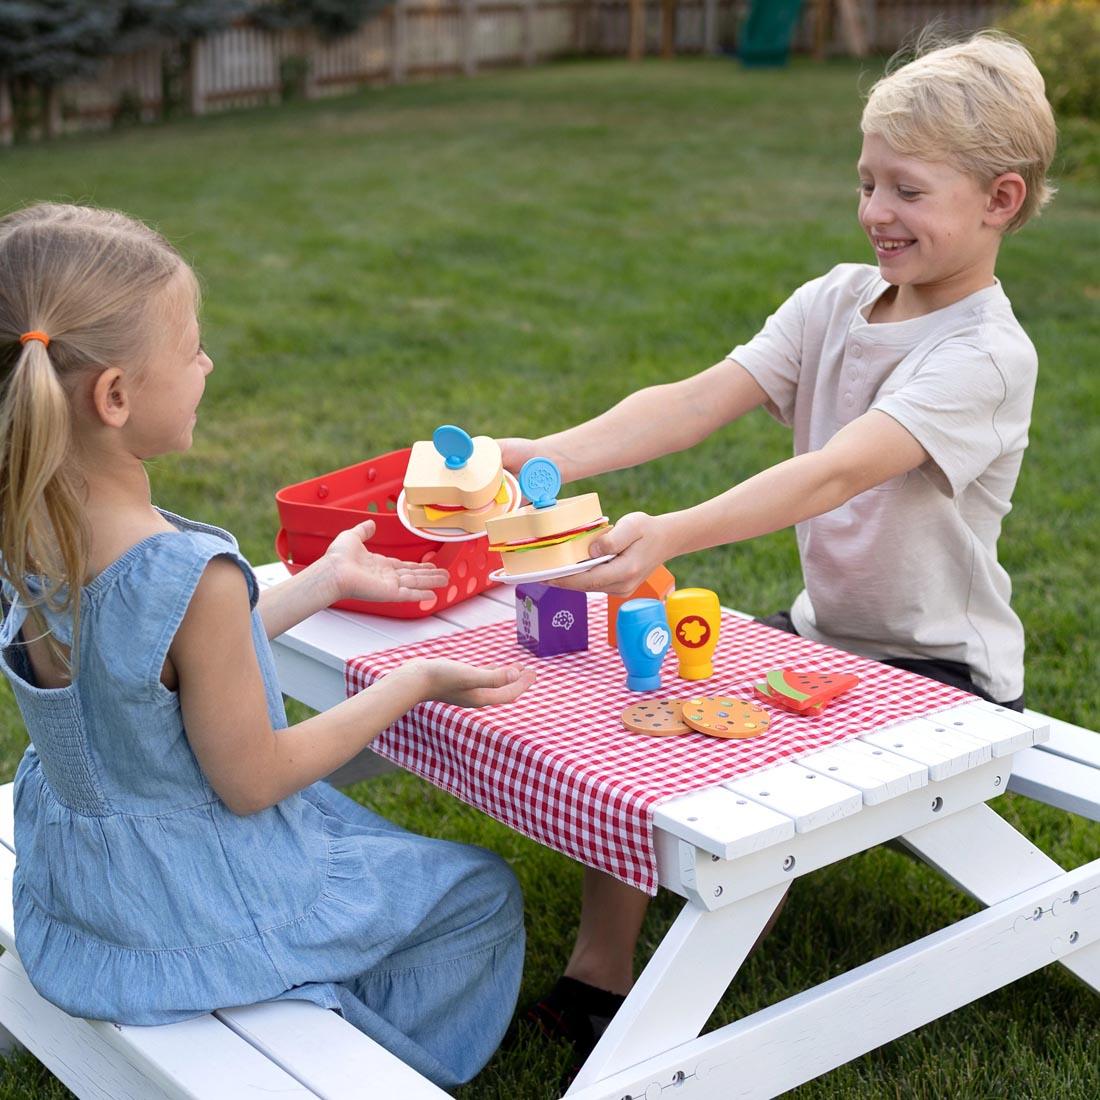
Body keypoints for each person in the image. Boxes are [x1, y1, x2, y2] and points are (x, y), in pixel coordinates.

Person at [500, 31, 1057, 1066]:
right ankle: (598, 972)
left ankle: (665, 1031)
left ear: (999, 200)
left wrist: (669, 530)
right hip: (824, 638)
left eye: (906, 190)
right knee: (646, 694)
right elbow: (692, 400)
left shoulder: (982, 354)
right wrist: (544, 451)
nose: (875, 212)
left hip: (940, 671)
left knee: (747, 759)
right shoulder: (834, 299)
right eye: (864, 183)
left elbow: (835, 471)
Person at [0, 203, 536, 1088]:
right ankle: (367, 1065)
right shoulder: (192, 575)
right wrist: (416, 680)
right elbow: (254, 781)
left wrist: (316, 584)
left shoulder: (27, 526)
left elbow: (140, 679)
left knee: (367, 844)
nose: (207, 364)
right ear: (116, 396)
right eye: (193, 349)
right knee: (478, 894)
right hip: (190, 901)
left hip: (85, 882)